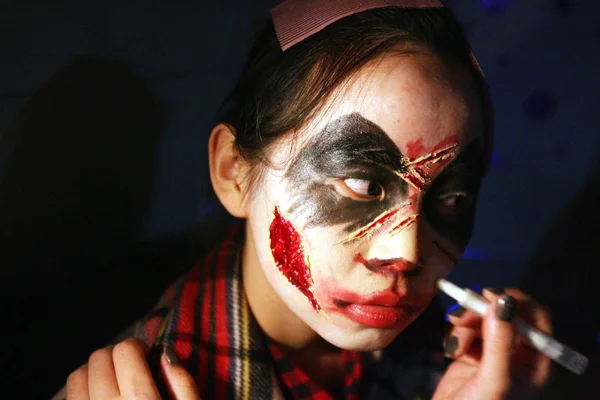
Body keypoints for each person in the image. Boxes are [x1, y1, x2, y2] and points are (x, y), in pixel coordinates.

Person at [59, 0, 552, 398]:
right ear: (234, 171)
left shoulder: (449, 357)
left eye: (455, 197)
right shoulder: (144, 383)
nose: (407, 255)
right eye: (363, 185)